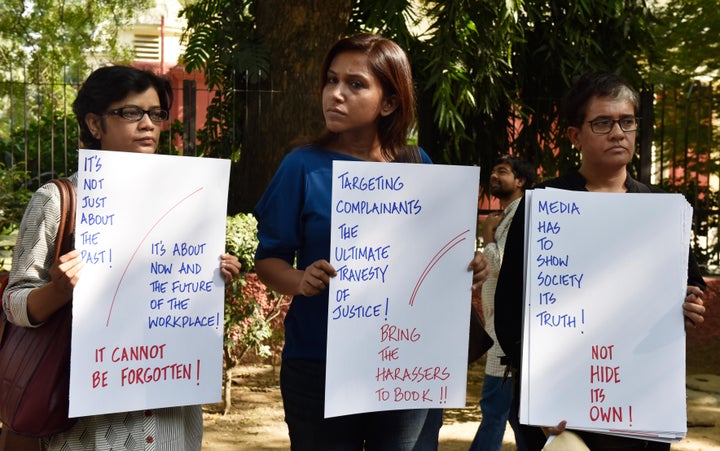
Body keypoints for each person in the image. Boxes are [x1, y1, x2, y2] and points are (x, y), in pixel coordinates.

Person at [253, 33, 489, 450]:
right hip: (318, 366)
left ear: (389, 102)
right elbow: (268, 260)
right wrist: (299, 279)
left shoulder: (420, 164)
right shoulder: (301, 167)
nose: (336, 94)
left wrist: (465, 264)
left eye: (355, 84)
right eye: (330, 80)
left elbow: (430, 257)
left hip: (405, 364)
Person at [1, 65, 242, 451]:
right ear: (95, 124)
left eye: (156, 113)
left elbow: (177, 298)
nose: (148, 124)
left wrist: (214, 275)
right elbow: (14, 302)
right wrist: (59, 290)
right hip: (89, 424)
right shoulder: (58, 200)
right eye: (131, 112)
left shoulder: (189, 200)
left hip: (168, 414)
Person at [493, 71, 707, 451]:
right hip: (557, 413)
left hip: (639, 403)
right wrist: (539, 393)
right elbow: (510, 306)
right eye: (603, 123)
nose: (619, 132)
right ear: (575, 135)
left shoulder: (660, 210)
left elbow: (691, 287)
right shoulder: (545, 204)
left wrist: (692, 303)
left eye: (627, 121)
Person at [470, 155, 535, 451]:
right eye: (492, 170)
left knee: (494, 407)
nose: (494, 176)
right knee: (511, 412)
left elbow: (501, 265)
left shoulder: (519, 213)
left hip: (506, 332)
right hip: (502, 326)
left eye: (503, 171)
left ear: (520, 181)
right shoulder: (508, 215)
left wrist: (486, 238)